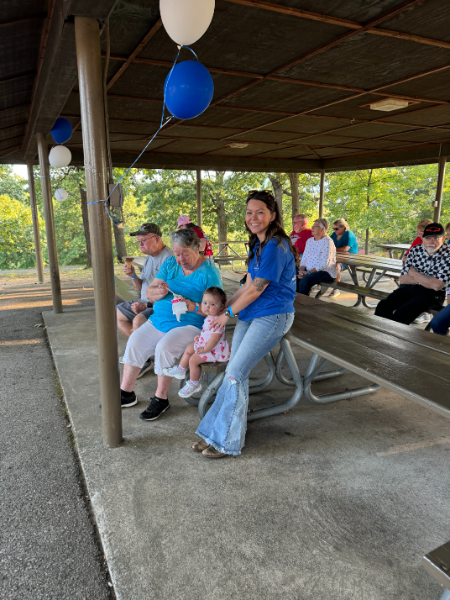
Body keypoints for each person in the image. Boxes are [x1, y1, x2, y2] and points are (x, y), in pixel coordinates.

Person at [193, 190, 298, 459]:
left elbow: (257, 290)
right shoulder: (259, 244)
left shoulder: (276, 245)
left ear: (273, 215)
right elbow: (247, 286)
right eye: (249, 212)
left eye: (260, 212)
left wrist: (227, 313)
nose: (253, 217)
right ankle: (214, 433)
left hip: (273, 316)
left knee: (235, 373)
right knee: (233, 372)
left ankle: (224, 441)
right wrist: (225, 308)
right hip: (252, 314)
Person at [119, 229, 223, 420]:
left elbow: (218, 309)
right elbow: (149, 291)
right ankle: (126, 393)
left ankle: (161, 398)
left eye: (185, 253)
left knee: (164, 347)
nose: (180, 259)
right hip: (159, 319)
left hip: (190, 324)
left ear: (197, 248)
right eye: (176, 253)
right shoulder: (170, 264)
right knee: (135, 339)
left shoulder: (208, 272)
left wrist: (194, 306)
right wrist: (157, 293)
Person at [375, 223, 450, 325]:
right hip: (408, 289)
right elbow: (403, 279)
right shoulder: (415, 250)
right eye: (428, 238)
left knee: (401, 313)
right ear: (422, 238)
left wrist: (413, 273)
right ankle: (379, 335)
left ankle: (392, 338)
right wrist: (428, 279)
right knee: (383, 306)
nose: (431, 242)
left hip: (431, 295)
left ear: (443, 238)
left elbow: (436, 286)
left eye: (436, 238)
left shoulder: (448, 254)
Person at [163, 287, 230, 398]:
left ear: (221, 307)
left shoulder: (218, 321)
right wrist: (200, 337)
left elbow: (214, 339)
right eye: (205, 303)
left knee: (193, 359)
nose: (207, 306)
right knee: (189, 348)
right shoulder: (210, 317)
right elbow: (208, 333)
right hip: (207, 345)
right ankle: (181, 369)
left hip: (214, 350)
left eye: (212, 304)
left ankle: (194, 384)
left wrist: (204, 349)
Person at [117, 223, 173, 340]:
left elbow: (169, 293)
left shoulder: (169, 259)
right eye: (139, 241)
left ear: (157, 238)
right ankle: (142, 351)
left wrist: (146, 305)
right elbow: (142, 289)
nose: (140, 244)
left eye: (143, 240)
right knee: (117, 313)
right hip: (144, 301)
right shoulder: (149, 257)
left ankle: (140, 351)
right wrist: (133, 275)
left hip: (158, 305)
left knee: (138, 321)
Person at [296, 218, 338, 296]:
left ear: (322, 229)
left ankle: (303, 304)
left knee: (305, 280)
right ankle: (295, 301)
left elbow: (324, 264)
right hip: (309, 270)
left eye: (315, 226)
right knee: (294, 276)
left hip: (326, 272)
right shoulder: (310, 241)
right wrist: (301, 270)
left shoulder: (327, 241)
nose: (312, 228)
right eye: (312, 226)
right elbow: (304, 258)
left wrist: (308, 272)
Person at [329, 218, 358, 298]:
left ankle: (336, 288)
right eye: (333, 228)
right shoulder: (335, 234)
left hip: (349, 259)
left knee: (336, 265)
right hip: (337, 256)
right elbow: (329, 243)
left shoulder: (349, 234)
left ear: (344, 227)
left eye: (337, 228)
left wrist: (330, 249)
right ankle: (319, 284)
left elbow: (345, 249)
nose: (335, 230)